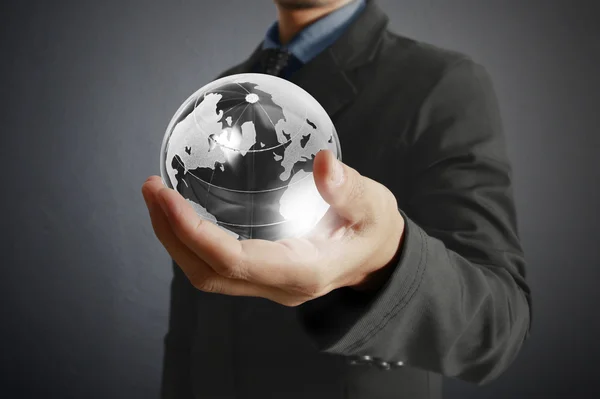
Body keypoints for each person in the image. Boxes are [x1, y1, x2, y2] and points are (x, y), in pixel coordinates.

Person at [141, 0, 532, 398]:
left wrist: (382, 264)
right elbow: (190, 330)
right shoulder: (219, 99)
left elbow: (496, 327)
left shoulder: (442, 82)